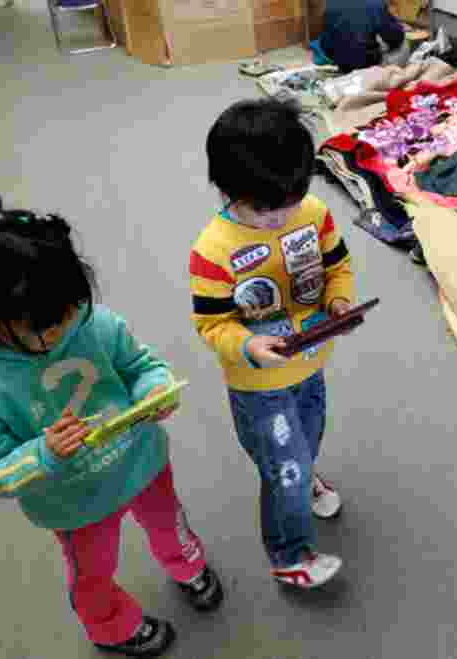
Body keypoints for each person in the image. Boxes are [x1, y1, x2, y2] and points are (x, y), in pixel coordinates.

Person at [0, 195, 221, 658]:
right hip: (75, 507)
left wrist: (155, 390)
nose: (68, 327)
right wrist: (43, 454)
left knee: (169, 522)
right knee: (93, 573)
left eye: (73, 308)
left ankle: (186, 564)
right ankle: (112, 627)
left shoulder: (90, 320)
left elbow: (140, 365)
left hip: (144, 463)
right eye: (47, 327)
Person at [192, 99, 355, 589]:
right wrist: (250, 348)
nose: (282, 216)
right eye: (265, 209)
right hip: (259, 386)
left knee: (308, 443)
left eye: (292, 199)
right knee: (282, 469)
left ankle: (304, 479)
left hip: (310, 367)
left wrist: (340, 301)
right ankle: (288, 556)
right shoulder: (212, 252)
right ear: (227, 190)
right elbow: (214, 326)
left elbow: (337, 267)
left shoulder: (315, 213)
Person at [319, 0, 407, 74]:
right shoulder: (376, 3)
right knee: (403, 44)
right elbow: (396, 38)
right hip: (367, 66)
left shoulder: (331, 3)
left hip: (343, 65)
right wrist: (399, 26)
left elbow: (324, 44)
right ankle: (389, 74)